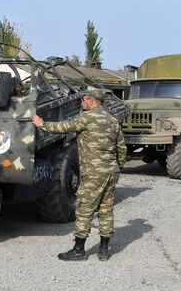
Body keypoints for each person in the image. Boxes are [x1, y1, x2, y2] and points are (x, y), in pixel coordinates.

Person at [31, 87, 127, 261]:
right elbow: (121, 148)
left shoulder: (87, 118)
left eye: (83, 100)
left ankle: (78, 250)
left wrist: (41, 124)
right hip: (111, 171)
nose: (81, 103)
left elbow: (64, 127)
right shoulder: (113, 120)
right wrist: (117, 167)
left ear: (91, 100)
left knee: (84, 210)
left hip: (93, 172)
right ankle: (104, 251)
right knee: (106, 210)